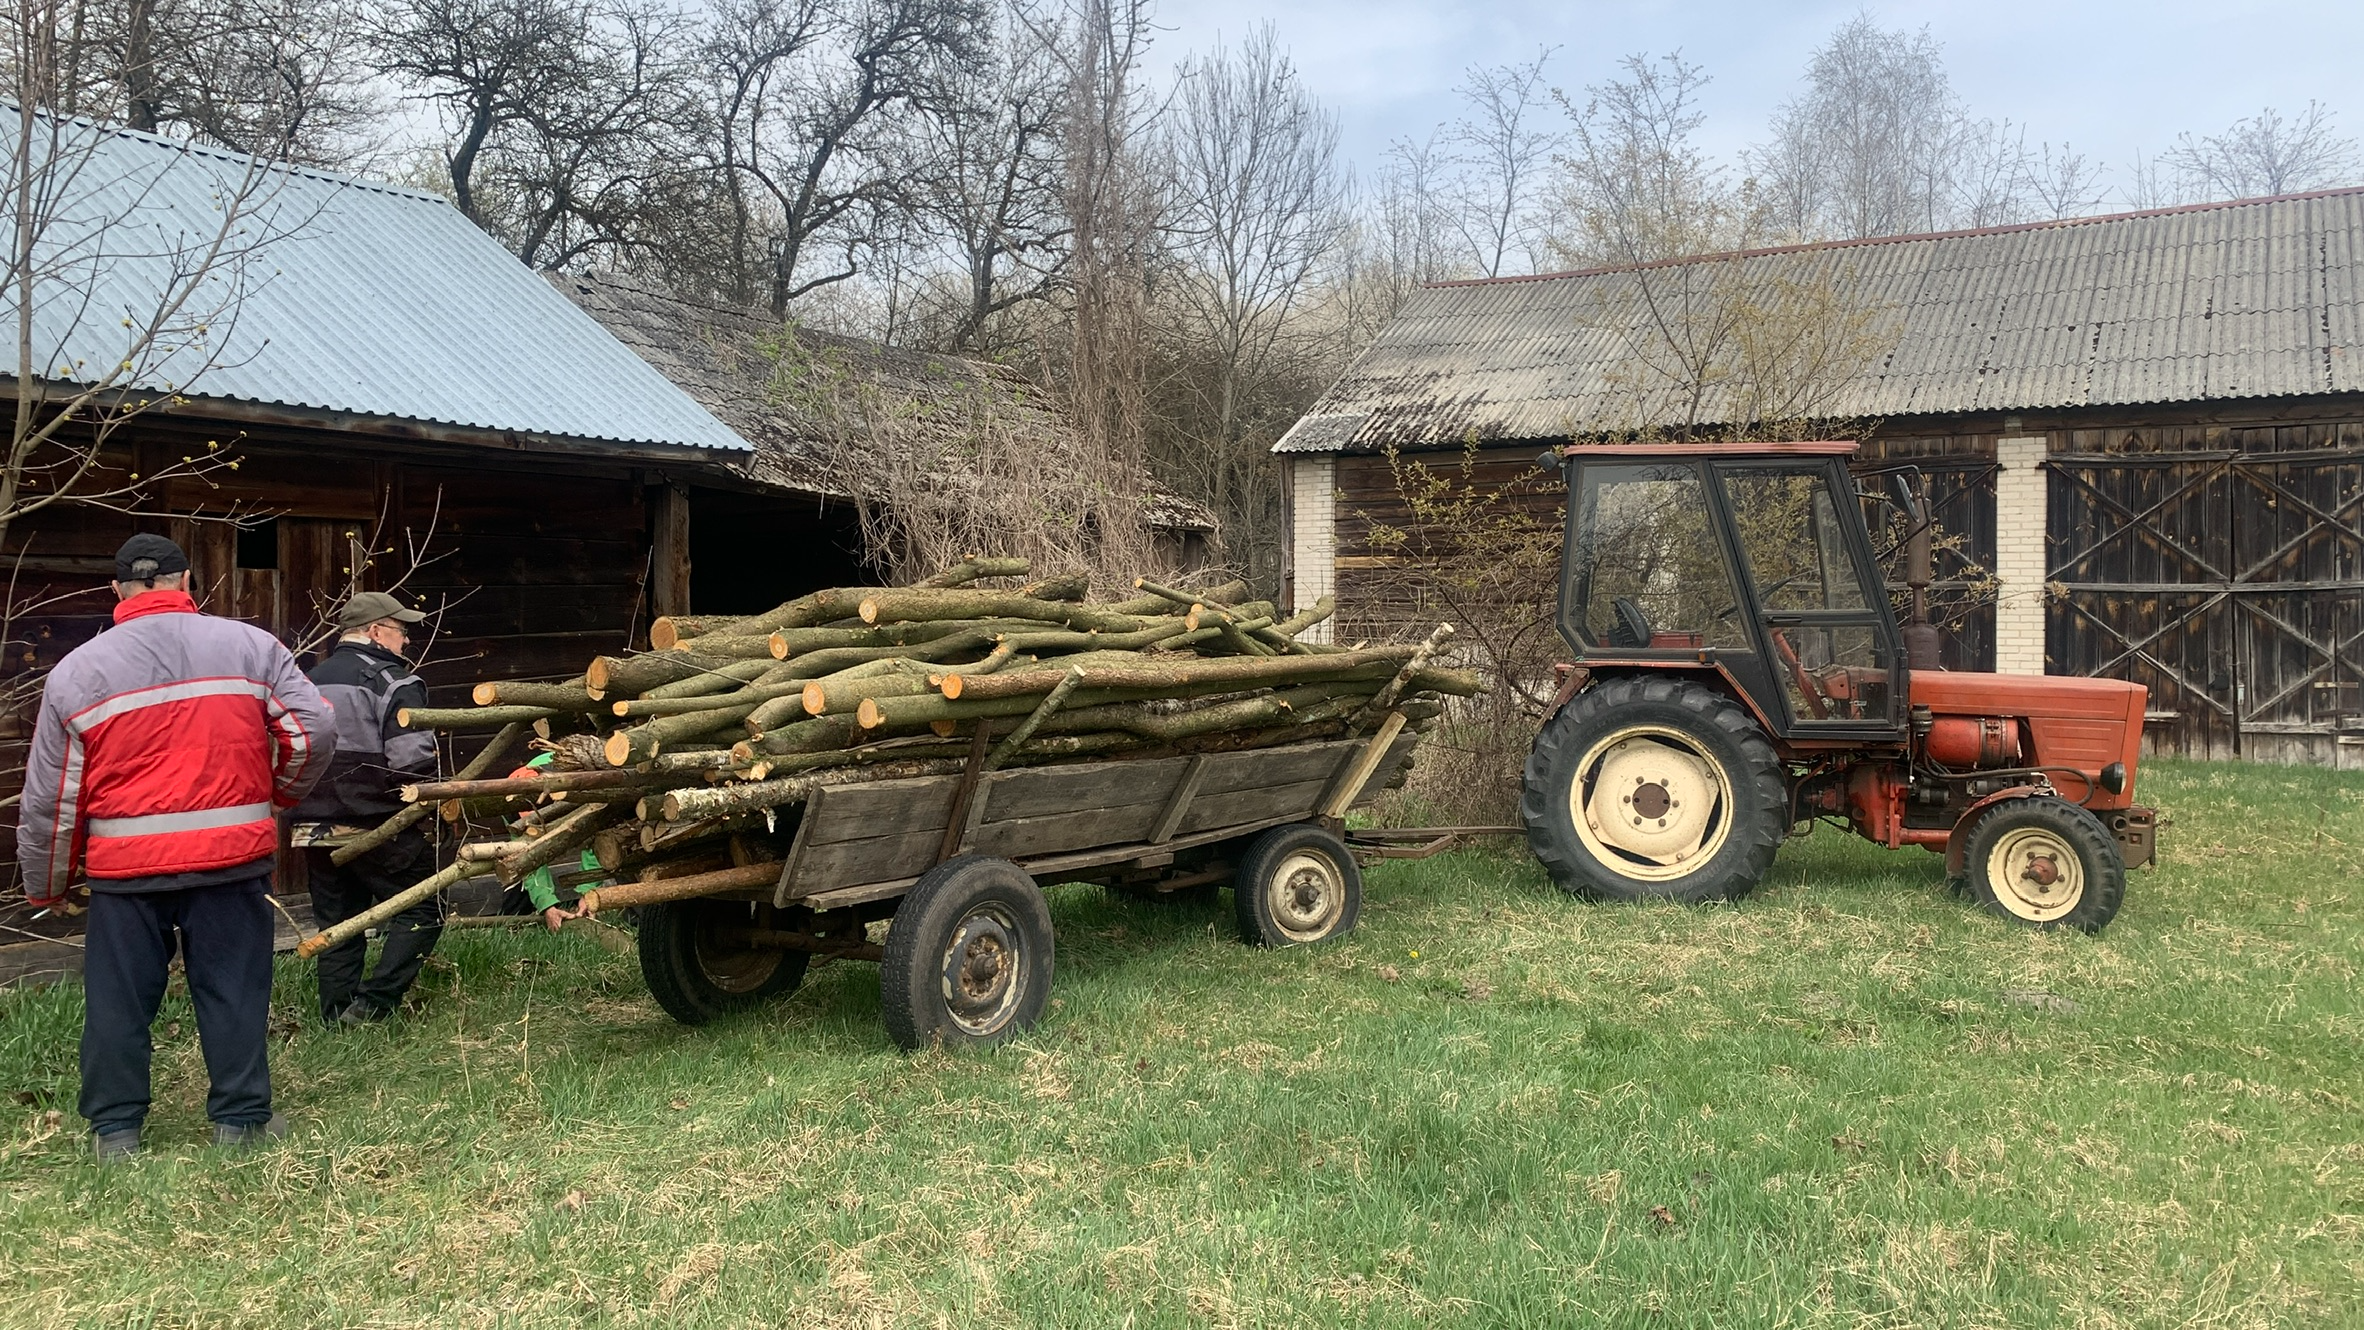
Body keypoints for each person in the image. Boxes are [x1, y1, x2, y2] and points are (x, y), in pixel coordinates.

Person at [17, 534, 334, 1163]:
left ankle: (116, 1134)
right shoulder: (249, 647)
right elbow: (315, 728)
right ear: (187, 582)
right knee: (234, 989)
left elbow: (49, 800)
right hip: (229, 862)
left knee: (118, 1000)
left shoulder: (77, 672)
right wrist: (279, 793)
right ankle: (240, 1124)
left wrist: (47, 884)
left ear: (117, 591)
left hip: (125, 873)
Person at [288, 591, 441, 1026]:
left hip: (311, 826)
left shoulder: (305, 681)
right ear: (376, 631)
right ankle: (374, 1007)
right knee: (424, 907)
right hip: (375, 823)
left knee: (339, 925)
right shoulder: (394, 683)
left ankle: (337, 1017)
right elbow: (412, 764)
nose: (406, 641)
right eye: (401, 631)